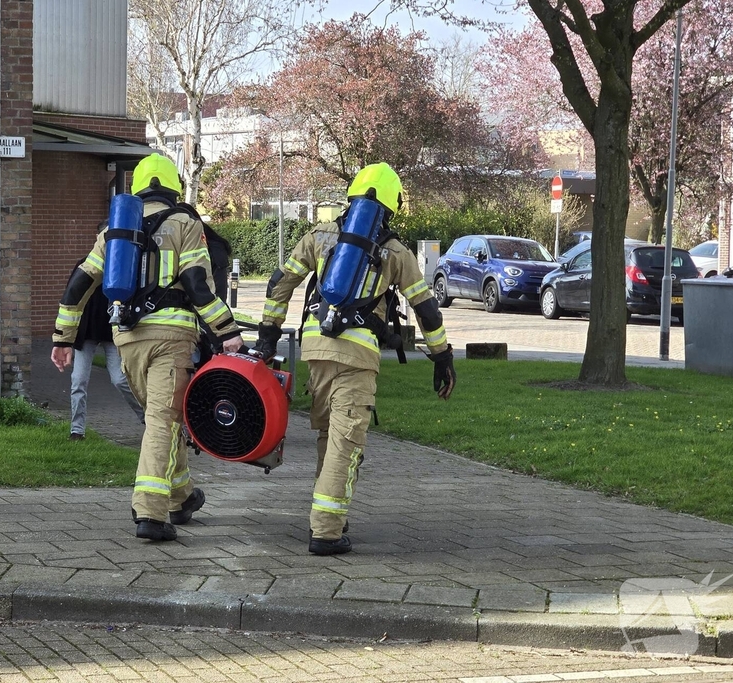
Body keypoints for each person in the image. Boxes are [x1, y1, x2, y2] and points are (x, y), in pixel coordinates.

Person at [252, 163, 456, 556]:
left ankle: (330, 517)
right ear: (392, 205)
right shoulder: (395, 251)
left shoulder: (320, 235)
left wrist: (267, 335)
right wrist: (442, 358)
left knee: (330, 437)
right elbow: (427, 310)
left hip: (314, 349)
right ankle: (326, 532)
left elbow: (281, 282)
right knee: (346, 443)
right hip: (357, 355)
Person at [51, 153, 243, 542]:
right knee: (163, 420)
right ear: (173, 187)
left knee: (164, 417)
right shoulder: (185, 223)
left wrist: (63, 337)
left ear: (137, 188)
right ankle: (151, 511)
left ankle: (182, 497)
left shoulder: (114, 229)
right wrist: (226, 331)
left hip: (127, 339)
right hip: (171, 339)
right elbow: (197, 284)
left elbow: (79, 282)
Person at [66, 280, 145, 440]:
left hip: (112, 332)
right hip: (86, 332)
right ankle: (77, 431)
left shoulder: (122, 265)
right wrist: (65, 337)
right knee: (78, 381)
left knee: (120, 380)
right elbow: (71, 298)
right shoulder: (86, 266)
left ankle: (148, 418)